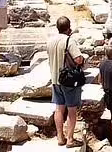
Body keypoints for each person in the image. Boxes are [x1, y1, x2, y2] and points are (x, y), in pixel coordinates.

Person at [47, 16, 84, 148]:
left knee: (58, 109)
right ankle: (70, 139)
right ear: (69, 28)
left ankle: (60, 137)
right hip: (68, 80)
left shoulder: (50, 41)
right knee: (72, 110)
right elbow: (78, 59)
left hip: (55, 79)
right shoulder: (69, 41)